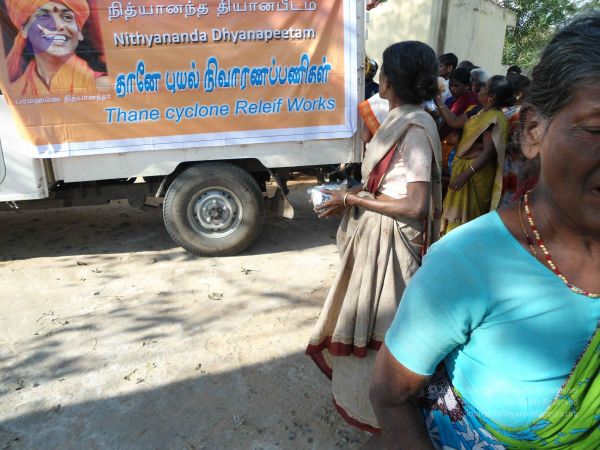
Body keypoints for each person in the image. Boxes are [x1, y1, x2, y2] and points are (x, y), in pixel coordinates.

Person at [370, 12, 600, 450]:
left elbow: (420, 197)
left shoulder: (436, 121)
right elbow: (390, 395)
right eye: (595, 130)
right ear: (533, 131)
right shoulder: (469, 262)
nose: (473, 93)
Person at [306, 41, 443, 434]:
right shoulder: (403, 119)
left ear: (389, 81)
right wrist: (354, 196)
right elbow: (389, 187)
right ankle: (371, 404)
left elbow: (415, 204)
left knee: (385, 321)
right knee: (366, 316)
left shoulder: (415, 128)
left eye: (382, 70)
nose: (378, 77)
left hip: (392, 246)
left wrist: (351, 198)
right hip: (378, 235)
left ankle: (387, 415)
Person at [437, 75, 512, 233]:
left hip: (476, 173)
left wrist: (466, 175)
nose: (479, 88)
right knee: (454, 220)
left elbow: (488, 152)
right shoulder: (477, 111)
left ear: (491, 96)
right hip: (463, 169)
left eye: (484, 87)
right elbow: (454, 121)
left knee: (466, 224)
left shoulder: (495, 118)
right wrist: (438, 102)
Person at [5, 0, 108, 96]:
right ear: (24, 30)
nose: (58, 25)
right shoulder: (15, 93)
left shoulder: (103, 86)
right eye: (43, 16)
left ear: (79, 32)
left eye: (67, 17)